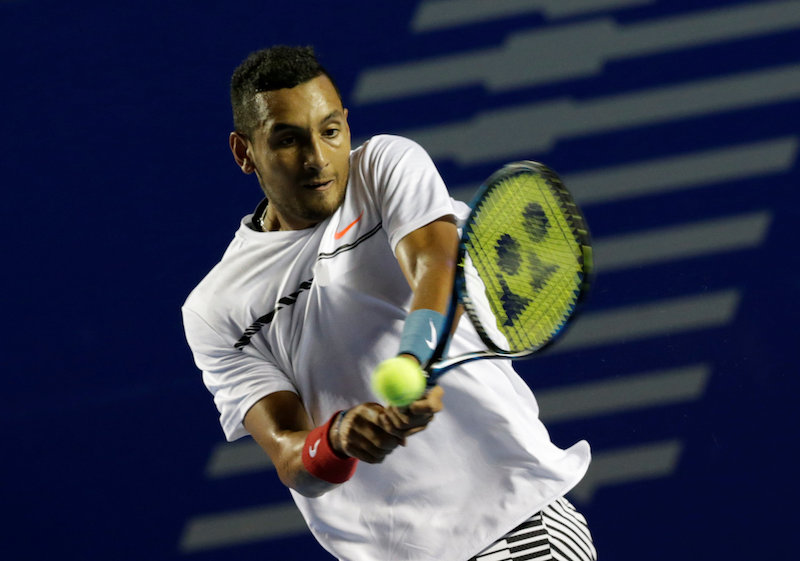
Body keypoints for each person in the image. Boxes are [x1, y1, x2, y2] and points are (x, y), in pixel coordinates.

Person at [182, 45, 596, 561]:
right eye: (287, 140)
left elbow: (435, 267)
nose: (316, 158)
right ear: (245, 152)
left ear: (346, 126)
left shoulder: (384, 166)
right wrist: (337, 440)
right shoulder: (215, 308)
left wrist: (413, 358)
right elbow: (291, 458)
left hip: (512, 526)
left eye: (330, 131)